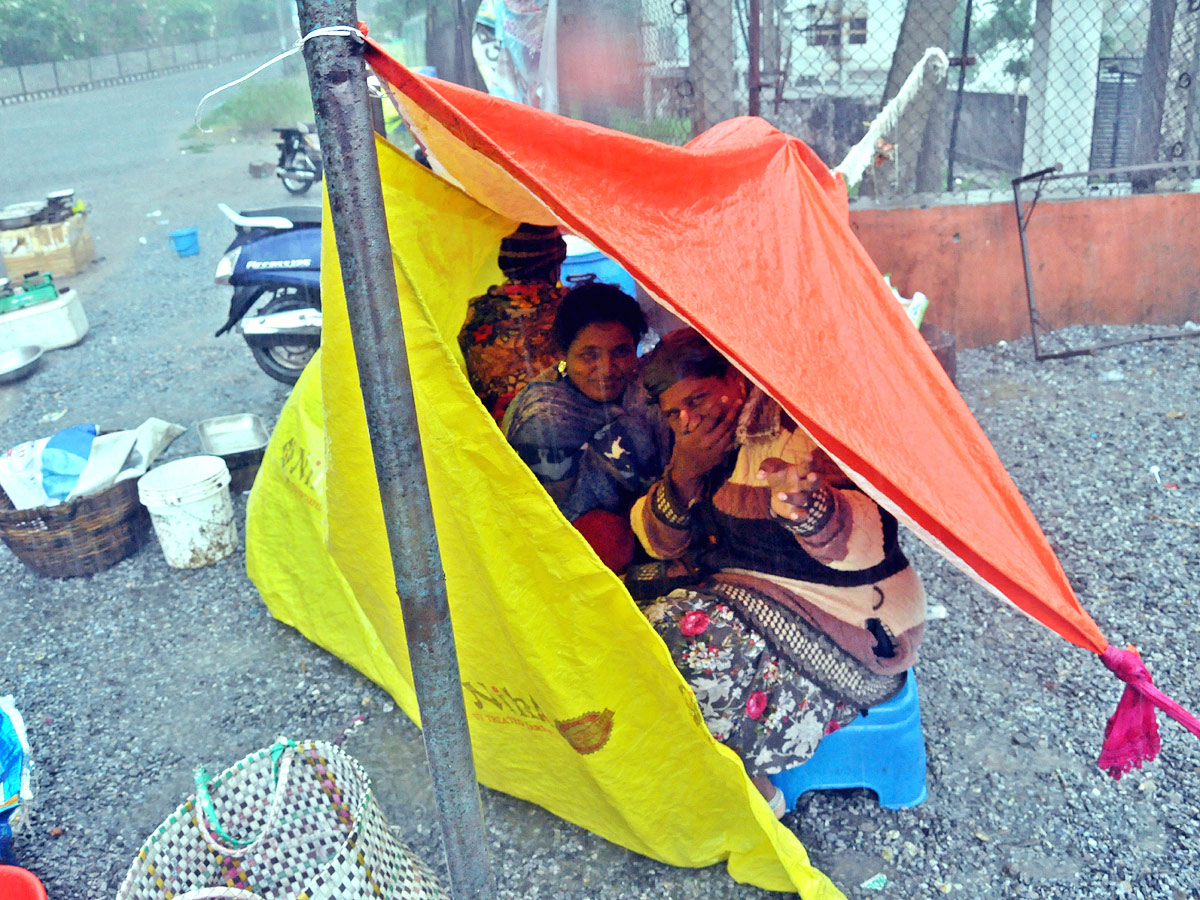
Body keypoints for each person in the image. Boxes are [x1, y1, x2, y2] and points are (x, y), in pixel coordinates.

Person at [632, 329, 926, 817]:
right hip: (749, 600)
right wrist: (684, 472)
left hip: (842, 632)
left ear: (733, 376)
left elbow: (868, 526)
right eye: (673, 413)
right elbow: (660, 542)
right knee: (622, 603)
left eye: (699, 398)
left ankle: (753, 787)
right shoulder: (700, 445)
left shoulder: (797, 424)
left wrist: (807, 508)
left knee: (675, 635)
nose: (689, 418)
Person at [503, 282, 669, 573]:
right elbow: (553, 524)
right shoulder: (544, 418)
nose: (606, 369)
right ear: (564, 354)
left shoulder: (643, 389)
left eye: (621, 352)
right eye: (589, 355)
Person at [459, 222, 568, 423]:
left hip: (496, 436)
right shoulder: (571, 306)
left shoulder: (472, 311)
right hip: (561, 428)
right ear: (552, 266)